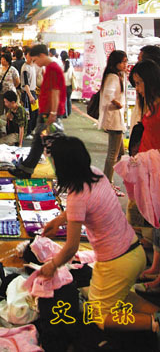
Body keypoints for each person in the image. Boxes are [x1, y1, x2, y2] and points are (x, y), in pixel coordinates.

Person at [40, 136, 160, 333]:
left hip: (117, 263)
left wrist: (52, 266)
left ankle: (153, 325)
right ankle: (156, 313)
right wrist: (59, 220)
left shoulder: (76, 196)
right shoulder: (95, 173)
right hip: (134, 252)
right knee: (120, 297)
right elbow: (85, 207)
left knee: (98, 315)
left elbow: (71, 248)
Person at [8, 43, 66, 177]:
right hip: (46, 111)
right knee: (39, 143)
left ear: (42, 55)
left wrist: (52, 113)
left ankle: (63, 172)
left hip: (49, 113)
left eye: (35, 60)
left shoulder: (53, 68)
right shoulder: (49, 68)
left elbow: (55, 92)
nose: (35, 63)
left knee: (51, 145)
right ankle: (25, 169)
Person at [129, 60, 160, 287]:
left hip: (157, 167)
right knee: (157, 220)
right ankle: (156, 266)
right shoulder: (150, 103)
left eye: (139, 83)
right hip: (148, 166)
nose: (137, 89)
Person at [98, 50, 127, 194]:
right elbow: (109, 94)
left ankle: (108, 181)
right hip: (114, 119)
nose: (125, 64)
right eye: (123, 62)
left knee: (119, 152)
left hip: (116, 119)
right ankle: (107, 183)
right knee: (113, 154)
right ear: (116, 62)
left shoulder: (116, 76)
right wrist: (118, 104)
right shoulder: (113, 76)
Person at [0, 52, 20, 118]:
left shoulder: (13, 70)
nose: (2, 61)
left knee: (10, 111)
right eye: (1, 59)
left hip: (10, 93)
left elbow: (17, 82)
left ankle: (10, 122)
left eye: (4, 60)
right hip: (0, 92)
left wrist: (11, 87)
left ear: (8, 61)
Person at [60, 50, 75, 117]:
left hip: (63, 86)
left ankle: (64, 114)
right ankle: (69, 112)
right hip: (70, 86)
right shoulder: (71, 67)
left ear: (62, 60)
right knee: (69, 99)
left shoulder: (61, 67)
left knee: (64, 100)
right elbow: (74, 76)